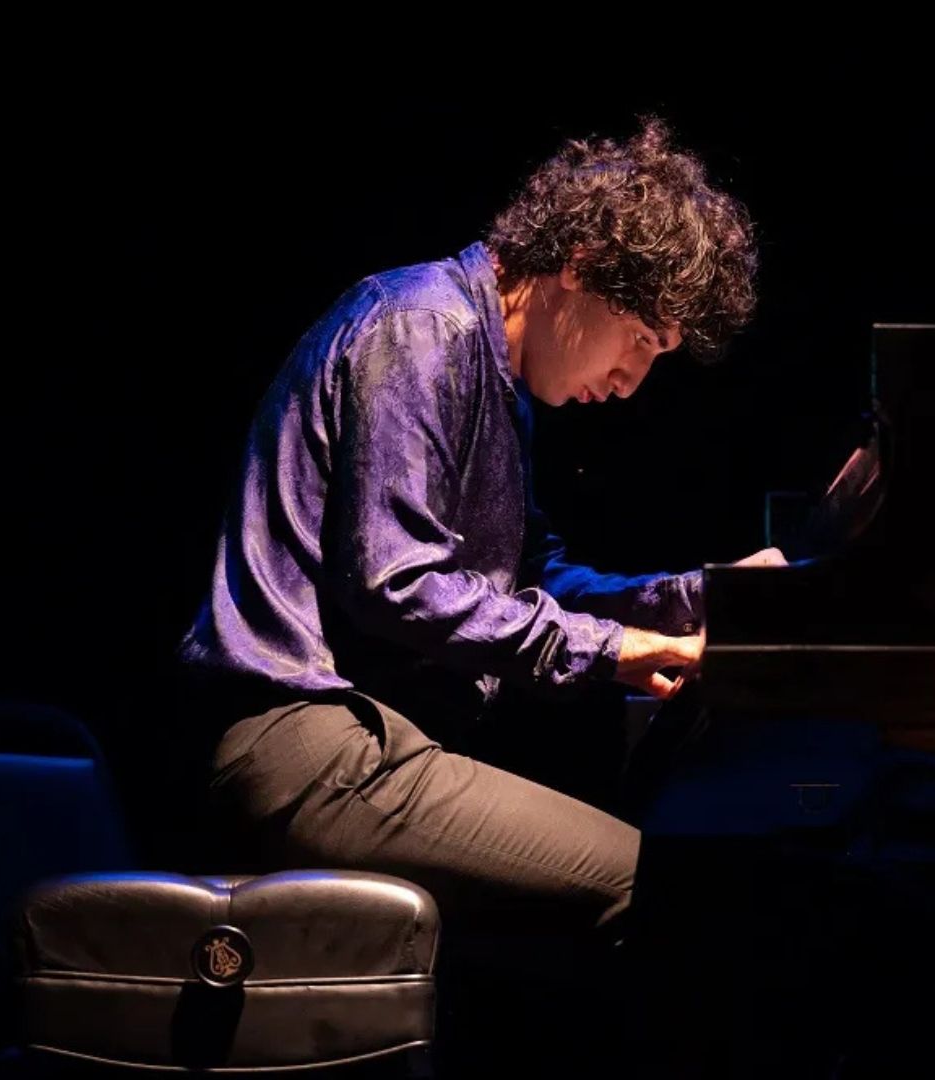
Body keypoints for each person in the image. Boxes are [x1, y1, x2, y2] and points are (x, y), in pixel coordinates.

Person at [177, 117, 764, 959]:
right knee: (655, 886)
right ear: (581, 265)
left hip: (373, 743)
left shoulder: (491, 374)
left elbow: (527, 581)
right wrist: (611, 651)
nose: (632, 381)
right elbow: (399, 582)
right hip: (309, 744)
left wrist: (708, 596)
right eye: (642, 339)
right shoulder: (423, 326)